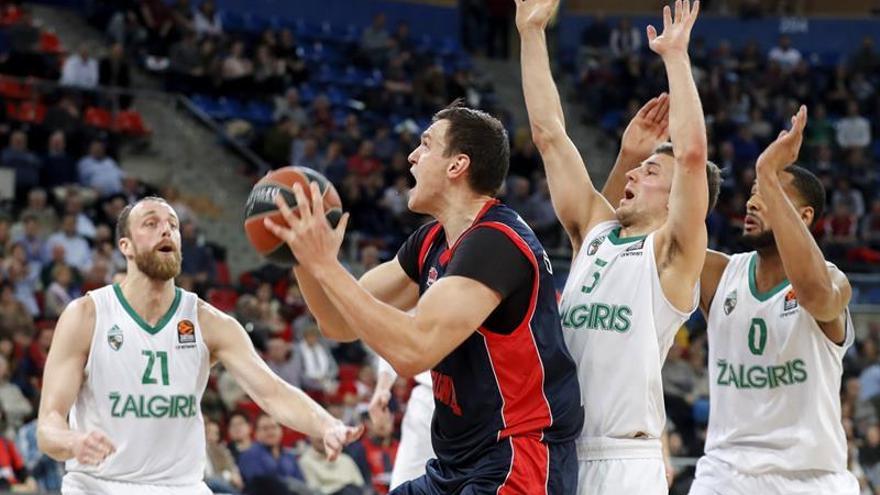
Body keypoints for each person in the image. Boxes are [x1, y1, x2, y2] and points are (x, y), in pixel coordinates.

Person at [265, 101, 584, 493]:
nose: (412, 156)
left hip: (518, 456)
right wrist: (301, 253)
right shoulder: (430, 241)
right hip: (457, 463)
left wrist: (328, 266)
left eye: (426, 144)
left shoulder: (496, 243)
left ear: (457, 166)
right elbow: (337, 322)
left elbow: (415, 350)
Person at [516, 0, 716, 493]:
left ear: (675, 199)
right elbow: (550, 136)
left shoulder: (673, 255)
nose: (633, 171)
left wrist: (675, 58)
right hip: (557, 449)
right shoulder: (597, 232)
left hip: (625, 459)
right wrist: (531, 32)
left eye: (651, 171)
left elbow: (691, 158)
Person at [37, 197, 362, 495]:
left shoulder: (210, 323)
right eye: (151, 223)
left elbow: (272, 392)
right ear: (127, 246)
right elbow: (48, 424)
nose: (166, 229)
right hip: (97, 485)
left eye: (173, 225)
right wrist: (73, 441)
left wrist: (326, 424)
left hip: (181, 487)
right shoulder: (87, 315)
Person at [683, 109, 859, 493]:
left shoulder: (832, 279)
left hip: (811, 478)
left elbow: (816, 297)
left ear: (805, 216)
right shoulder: (719, 273)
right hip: (726, 474)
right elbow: (666, 234)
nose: (752, 202)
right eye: (753, 192)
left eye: (769, 195)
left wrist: (767, 169)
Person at [368, 355, 434, 490]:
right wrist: (382, 388)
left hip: (479, 401)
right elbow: (392, 337)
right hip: (428, 396)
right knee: (402, 485)